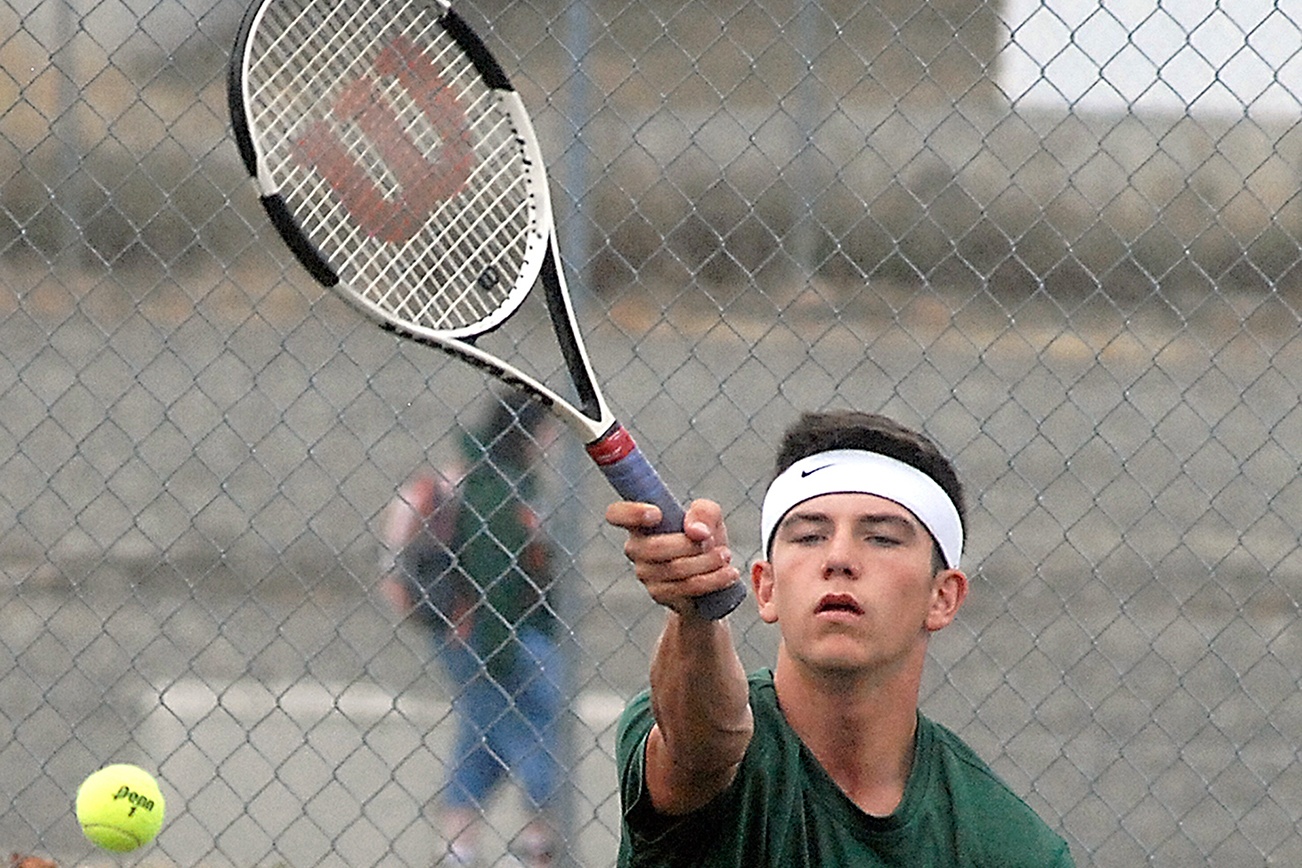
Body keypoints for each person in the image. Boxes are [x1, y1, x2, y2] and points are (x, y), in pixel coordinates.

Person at [604, 409, 1075, 867]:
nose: (839, 558)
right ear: (766, 587)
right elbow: (702, 750)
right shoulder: (679, 720)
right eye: (810, 536)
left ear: (942, 597)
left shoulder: (1011, 847)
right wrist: (696, 614)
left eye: (882, 538)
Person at [380, 392, 564, 867]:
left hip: (463, 637)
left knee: (483, 734)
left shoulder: (476, 476)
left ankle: (457, 848)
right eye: (547, 430)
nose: (552, 441)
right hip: (500, 639)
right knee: (540, 732)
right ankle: (538, 846)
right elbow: (496, 577)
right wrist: (499, 652)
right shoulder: (497, 488)